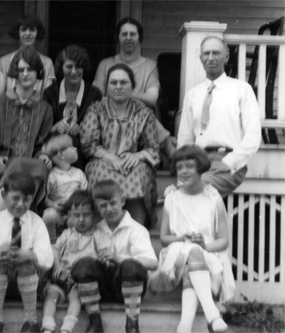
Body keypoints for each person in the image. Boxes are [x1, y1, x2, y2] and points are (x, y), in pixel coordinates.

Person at [149, 145, 235, 333]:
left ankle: (185, 325)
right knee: (191, 251)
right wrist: (181, 237)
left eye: (189, 166)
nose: (183, 171)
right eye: (179, 167)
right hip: (175, 254)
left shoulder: (213, 198)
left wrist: (205, 245)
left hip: (209, 256)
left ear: (201, 167)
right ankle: (212, 315)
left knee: (194, 254)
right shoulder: (172, 197)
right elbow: (164, 238)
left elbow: (223, 241)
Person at [70, 179, 158, 333]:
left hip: (129, 288)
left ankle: (132, 324)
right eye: (103, 205)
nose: (109, 209)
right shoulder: (96, 229)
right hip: (101, 289)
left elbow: (152, 263)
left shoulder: (136, 230)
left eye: (112, 203)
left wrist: (118, 258)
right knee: (84, 264)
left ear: (122, 201)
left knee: (130, 265)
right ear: (97, 208)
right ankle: (95, 320)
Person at [177, 36, 261, 195]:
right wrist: (184, 168)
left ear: (226, 57)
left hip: (227, 161)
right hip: (199, 162)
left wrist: (229, 162)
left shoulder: (241, 89)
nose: (210, 58)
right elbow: (185, 139)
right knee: (182, 199)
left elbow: (253, 136)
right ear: (200, 57)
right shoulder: (193, 95)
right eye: (206, 53)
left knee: (193, 193)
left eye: (216, 53)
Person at [80, 63, 160, 227]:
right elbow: (88, 144)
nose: (118, 86)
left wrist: (137, 155)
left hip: (133, 162)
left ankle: (135, 231)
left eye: (123, 82)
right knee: (101, 172)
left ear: (132, 86)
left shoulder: (144, 112)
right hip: (103, 160)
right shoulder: (96, 109)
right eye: (113, 82)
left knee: (140, 173)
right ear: (107, 86)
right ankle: (102, 232)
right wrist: (110, 157)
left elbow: (152, 147)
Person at [0, 172, 53, 333]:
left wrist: (29, 255)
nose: (20, 204)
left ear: (32, 198)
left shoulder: (36, 222)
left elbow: (48, 260)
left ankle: (31, 320)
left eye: (26, 199)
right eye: (15, 198)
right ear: (4, 195)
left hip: (29, 285)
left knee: (26, 261)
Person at [92, 17, 176, 159]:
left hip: (140, 118)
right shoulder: (105, 64)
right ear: (118, 38)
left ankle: (174, 156)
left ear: (140, 37)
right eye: (124, 34)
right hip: (110, 114)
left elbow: (151, 98)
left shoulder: (149, 65)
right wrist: (124, 99)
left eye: (133, 34)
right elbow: (96, 95)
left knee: (141, 111)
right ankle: (169, 148)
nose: (128, 38)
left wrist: (122, 96)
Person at [0, 47, 54, 216]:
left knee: (39, 166)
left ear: (37, 72)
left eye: (30, 69)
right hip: (5, 164)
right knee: (15, 164)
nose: (25, 74)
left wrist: (44, 155)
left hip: (32, 167)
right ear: (14, 72)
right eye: (21, 69)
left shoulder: (44, 108)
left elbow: (42, 144)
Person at [41, 190, 112, 333]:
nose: (81, 219)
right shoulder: (68, 233)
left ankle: (67, 327)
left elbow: (104, 256)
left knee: (77, 297)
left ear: (95, 215)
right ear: (70, 216)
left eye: (86, 215)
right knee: (50, 293)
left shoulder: (98, 235)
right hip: (62, 276)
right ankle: (47, 325)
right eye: (76, 215)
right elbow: (54, 250)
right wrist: (57, 266)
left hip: (81, 282)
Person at [43, 45, 102, 169]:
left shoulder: (94, 94)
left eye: (78, 66)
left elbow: (98, 128)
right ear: (61, 67)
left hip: (83, 148)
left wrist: (82, 129)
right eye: (69, 67)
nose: (74, 71)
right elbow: (43, 129)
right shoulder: (50, 93)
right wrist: (56, 126)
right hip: (55, 150)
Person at [41, 134, 88, 242]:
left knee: (79, 219)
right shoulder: (52, 175)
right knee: (49, 215)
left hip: (75, 213)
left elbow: (86, 194)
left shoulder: (79, 174)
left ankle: (75, 245)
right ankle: (52, 244)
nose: (75, 148)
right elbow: (44, 197)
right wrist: (53, 206)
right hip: (58, 214)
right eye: (71, 147)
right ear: (61, 154)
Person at [0, 14, 56, 95]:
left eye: (32, 30)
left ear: (38, 32)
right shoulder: (4, 61)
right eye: (23, 29)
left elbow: (48, 97)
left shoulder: (47, 62)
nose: (27, 33)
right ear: (17, 32)